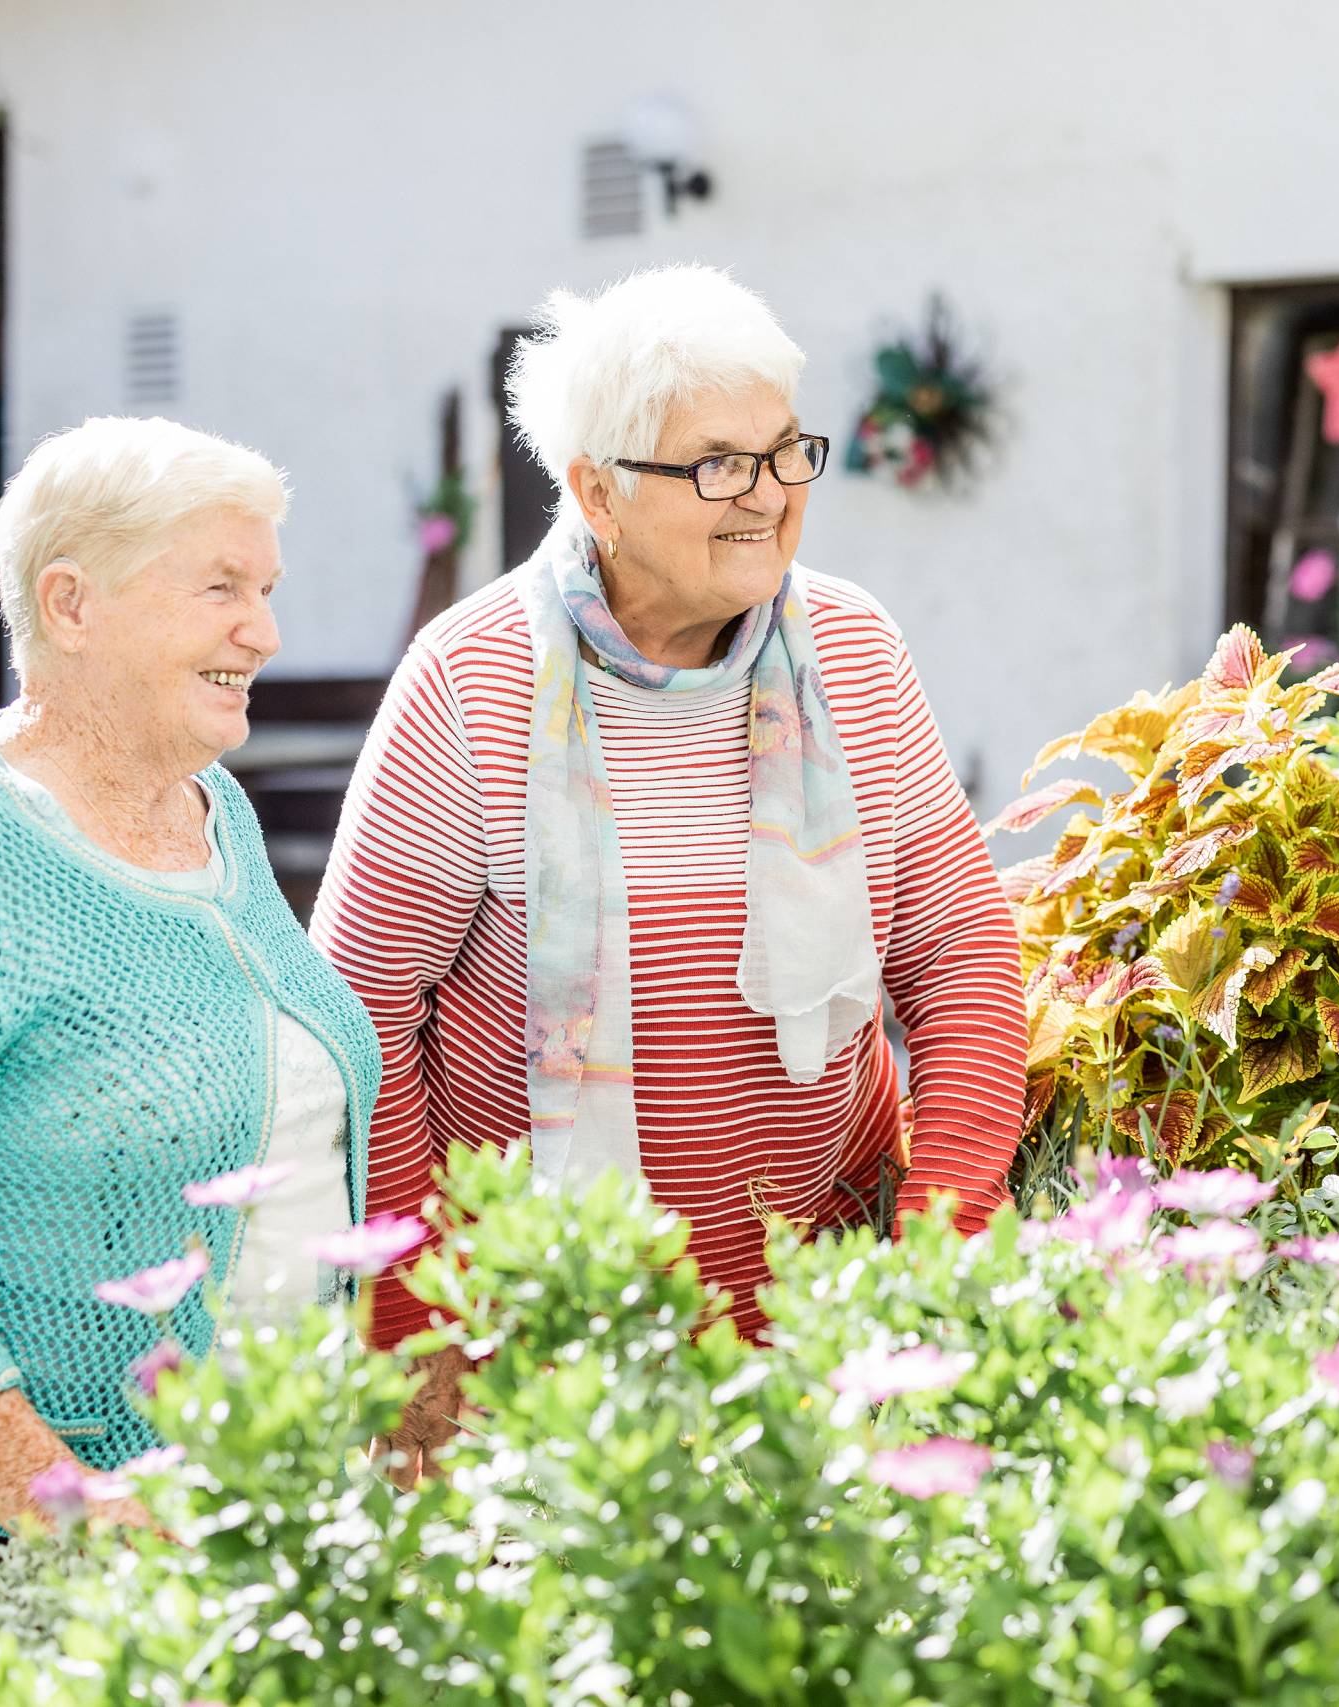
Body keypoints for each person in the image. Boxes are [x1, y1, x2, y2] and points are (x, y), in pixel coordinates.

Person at [313, 265, 1026, 1473]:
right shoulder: (470, 681)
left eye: (784, 453)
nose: (766, 498)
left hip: (827, 1308)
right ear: (596, 489)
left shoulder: (851, 649)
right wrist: (415, 1325)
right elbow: (362, 1015)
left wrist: (941, 1239)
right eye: (715, 465)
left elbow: (957, 954)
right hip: (537, 1348)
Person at [0, 417, 381, 1625]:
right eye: (220, 588)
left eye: (265, 589)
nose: (263, 630)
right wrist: (56, 1495)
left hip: (193, 1484)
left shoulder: (210, 810)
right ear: (73, 605)